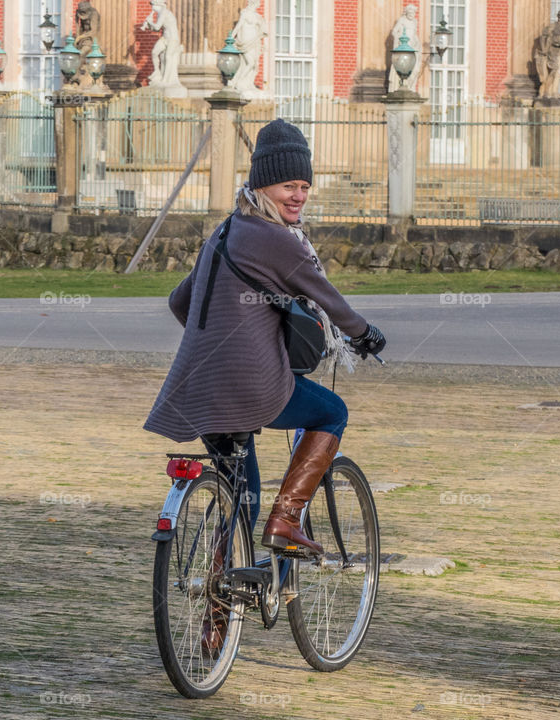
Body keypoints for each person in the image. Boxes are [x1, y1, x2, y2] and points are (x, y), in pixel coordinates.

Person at [144, 119, 386, 652]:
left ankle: (215, 614)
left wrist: (229, 332)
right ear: (264, 187)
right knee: (331, 413)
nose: (298, 195)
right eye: (288, 186)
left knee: (240, 496)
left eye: (304, 186)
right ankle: (287, 522)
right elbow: (329, 299)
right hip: (252, 387)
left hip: (197, 387)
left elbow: (179, 303)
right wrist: (366, 335)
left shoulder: (227, 230)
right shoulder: (280, 240)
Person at [534, 10, 560, 98]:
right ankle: (546, 92)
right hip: (552, 52)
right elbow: (543, 37)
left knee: (556, 73)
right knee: (552, 72)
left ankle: (552, 92)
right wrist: (544, 49)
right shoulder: (552, 27)